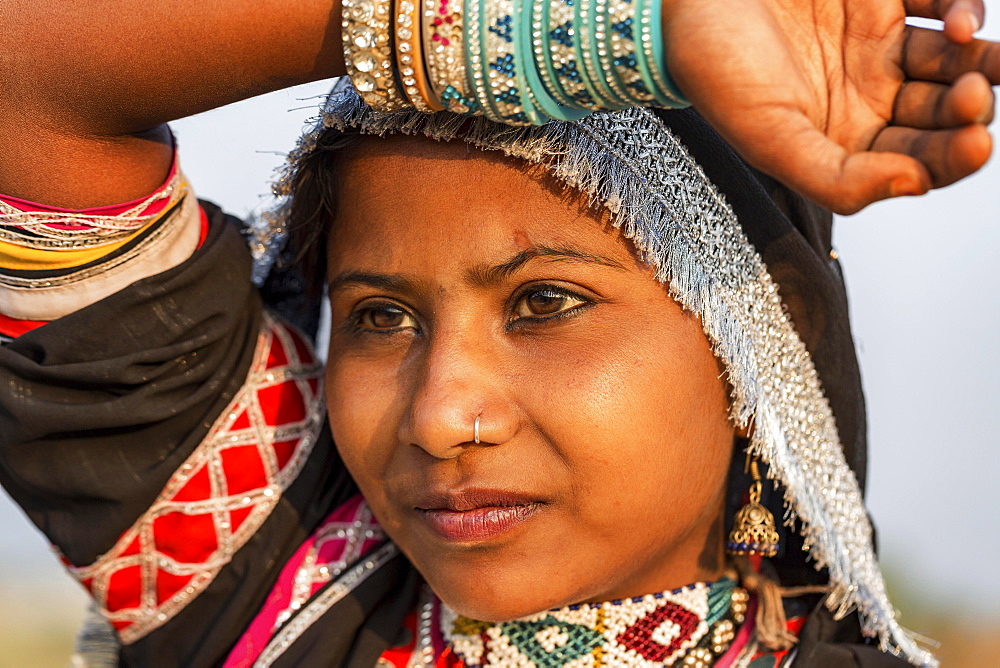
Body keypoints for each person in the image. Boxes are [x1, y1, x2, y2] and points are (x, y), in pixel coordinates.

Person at [0, 0, 997, 666]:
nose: (440, 417)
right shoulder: (268, 572)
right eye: (380, 317)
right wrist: (621, 33)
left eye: (543, 303)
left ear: (755, 344)